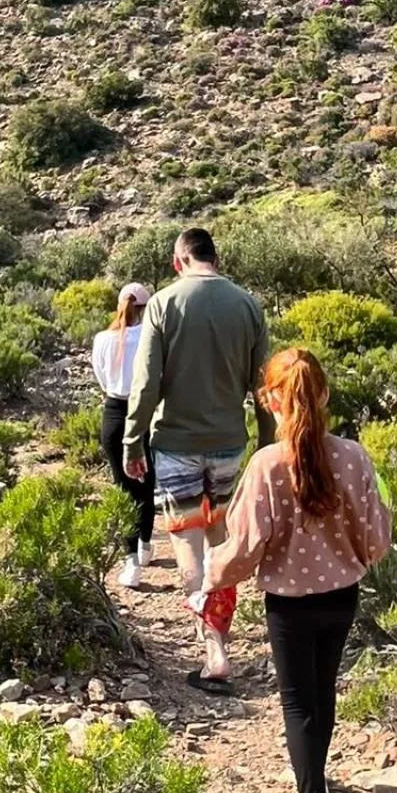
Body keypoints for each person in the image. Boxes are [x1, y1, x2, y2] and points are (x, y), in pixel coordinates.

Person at [201, 348, 392, 793]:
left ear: (269, 399)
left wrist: (209, 579)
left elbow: (244, 547)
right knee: (321, 694)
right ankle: (316, 779)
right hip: (342, 596)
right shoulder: (353, 456)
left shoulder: (266, 465)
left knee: (296, 705)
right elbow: (376, 535)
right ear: (324, 395)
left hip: (288, 604)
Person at [124, 227, 274, 688]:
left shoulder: (164, 305)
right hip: (230, 443)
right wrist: (268, 445)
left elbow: (146, 382)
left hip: (175, 445)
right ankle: (222, 636)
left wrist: (133, 440)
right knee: (220, 542)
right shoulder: (248, 305)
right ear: (217, 258)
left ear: (177, 262)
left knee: (188, 544)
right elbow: (263, 386)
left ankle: (214, 651)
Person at [92, 282, 156, 589]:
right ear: (145, 308)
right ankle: (144, 544)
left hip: (114, 412)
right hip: (146, 411)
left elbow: (102, 378)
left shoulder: (103, 339)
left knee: (123, 486)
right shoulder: (150, 336)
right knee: (148, 480)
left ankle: (131, 561)